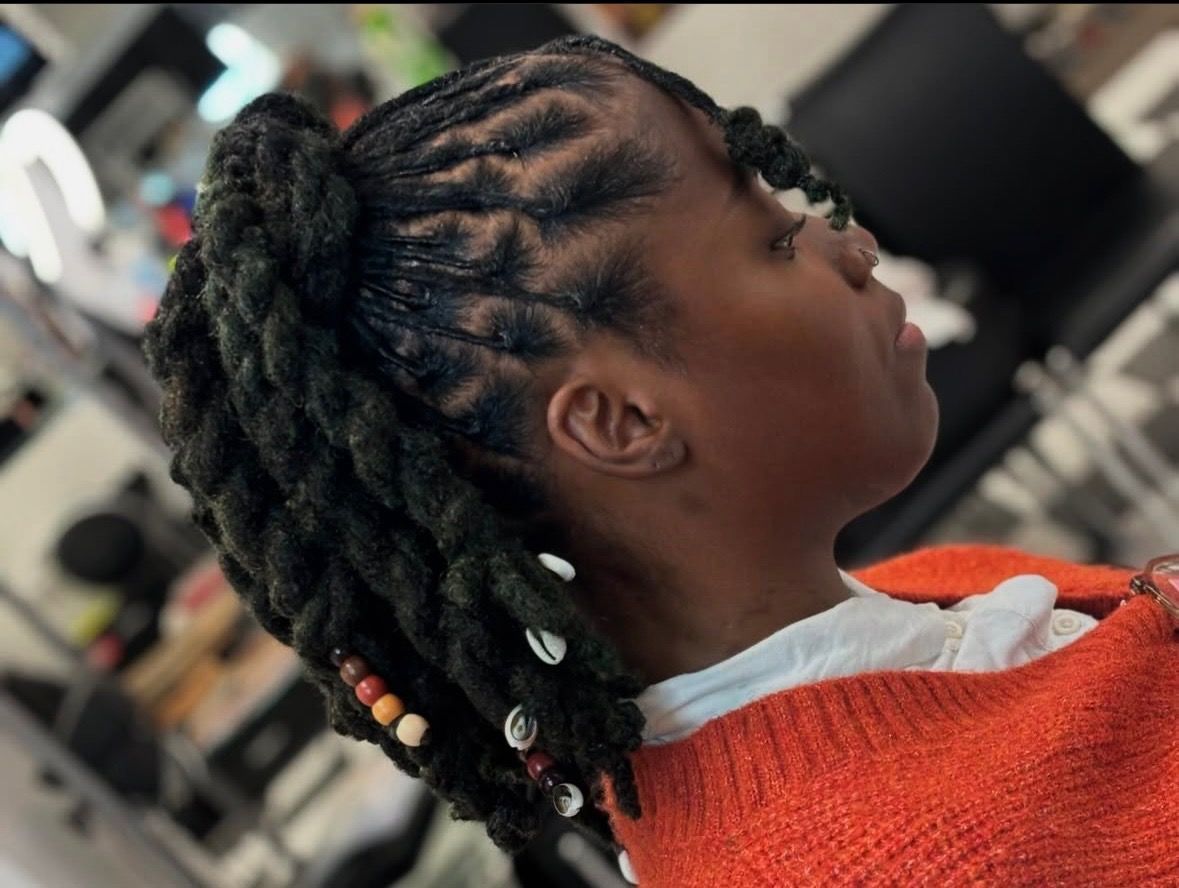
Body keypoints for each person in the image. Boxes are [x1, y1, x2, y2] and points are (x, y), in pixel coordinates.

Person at [142, 35, 1178, 886]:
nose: (851, 247)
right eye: (774, 241)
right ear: (621, 424)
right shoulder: (933, 859)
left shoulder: (918, 596)